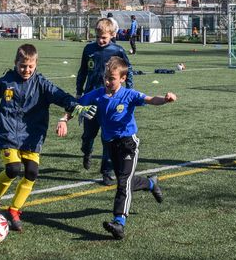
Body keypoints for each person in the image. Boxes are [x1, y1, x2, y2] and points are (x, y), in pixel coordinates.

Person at [0, 43, 96, 232]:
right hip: (8, 133)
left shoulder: (41, 84)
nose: (26, 70)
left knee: (32, 172)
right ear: (15, 63)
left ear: (36, 65)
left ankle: (14, 209)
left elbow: (59, 95)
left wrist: (75, 106)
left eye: (30, 67)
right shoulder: (5, 81)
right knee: (12, 169)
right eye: (22, 66)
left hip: (33, 135)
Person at [61, 56, 175, 240]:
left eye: (111, 78)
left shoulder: (129, 94)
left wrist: (166, 99)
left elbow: (151, 99)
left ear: (122, 78)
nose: (107, 81)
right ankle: (151, 183)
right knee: (126, 179)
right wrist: (64, 119)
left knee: (123, 182)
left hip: (128, 144)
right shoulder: (97, 94)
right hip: (110, 144)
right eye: (105, 77)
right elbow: (77, 105)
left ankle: (119, 222)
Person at [76, 18, 134, 185]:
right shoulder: (89, 49)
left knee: (108, 138)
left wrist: (128, 91)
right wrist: (79, 92)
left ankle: (106, 172)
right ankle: (86, 151)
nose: (101, 41)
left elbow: (128, 71)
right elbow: (82, 72)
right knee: (89, 135)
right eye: (98, 37)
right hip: (91, 100)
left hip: (110, 101)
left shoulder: (118, 50)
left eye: (104, 38)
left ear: (112, 35)